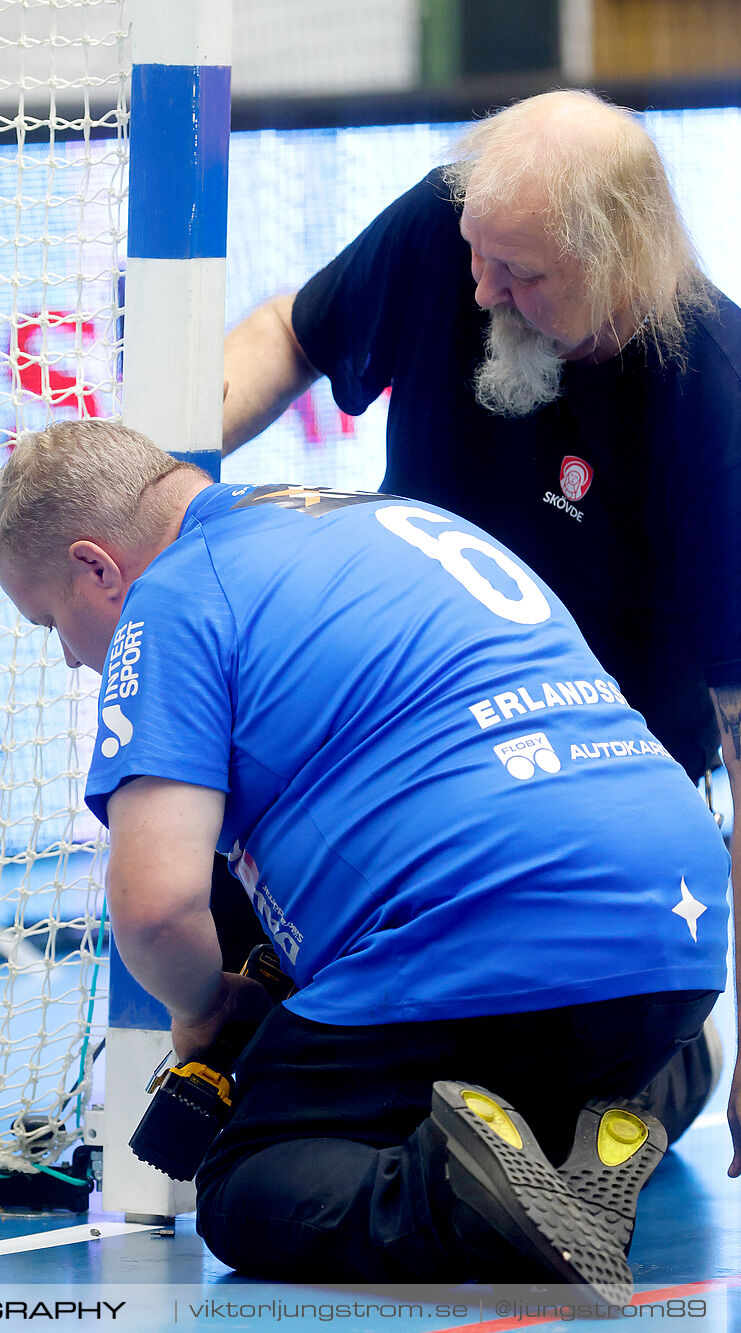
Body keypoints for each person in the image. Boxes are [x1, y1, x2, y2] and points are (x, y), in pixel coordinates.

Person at [0, 418, 730, 1295]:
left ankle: (458, 1195)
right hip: (675, 951)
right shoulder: (379, 518)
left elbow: (154, 906)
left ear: (97, 568)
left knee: (247, 1180)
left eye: (51, 623)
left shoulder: (174, 595)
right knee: (540, 1045)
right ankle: (622, 1105)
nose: (74, 658)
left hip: (499, 932)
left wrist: (203, 1006)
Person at [220, 88, 741, 1164]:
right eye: (475, 253)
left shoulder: (710, 399)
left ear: (624, 257)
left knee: (548, 1097)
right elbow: (290, 330)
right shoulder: (456, 224)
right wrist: (166, 459)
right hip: (398, 774)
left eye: (522, 274)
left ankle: (660, 1060)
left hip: (581, 839)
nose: (479, 289)